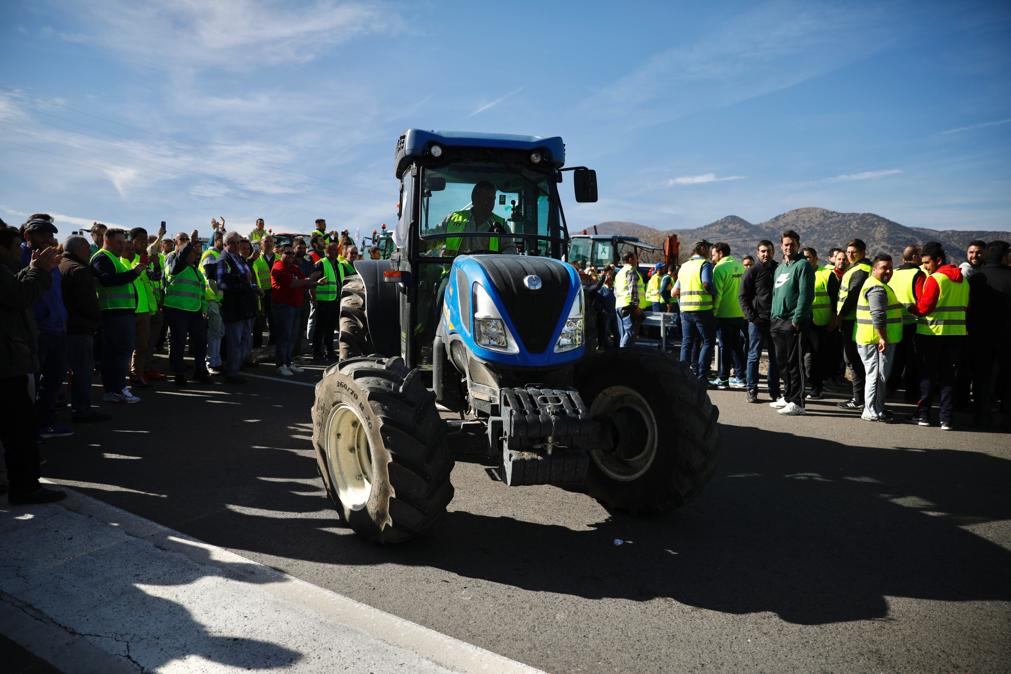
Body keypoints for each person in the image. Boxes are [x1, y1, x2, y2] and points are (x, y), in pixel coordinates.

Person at [0, 227, 66, 504]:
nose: (20, 251)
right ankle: (25, 487)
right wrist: (38, 270)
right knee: (19, 428)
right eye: (16, 246)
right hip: (8, 362)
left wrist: (31, 270)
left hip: (11, 357)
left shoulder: (8, 271)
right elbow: (19, 296)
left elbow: (14, 290)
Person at [20, 216, 71, 438]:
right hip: (37, 330)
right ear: (27, 235)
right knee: (31, 383)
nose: (48, 239)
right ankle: (28, 429)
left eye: (50, 235)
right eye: (42, 234)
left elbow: (56, 295)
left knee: (53, 379)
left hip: (57, 328)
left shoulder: (52, 259)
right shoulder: (20, 257)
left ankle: (46, 423)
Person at [910, 242, 967, 430]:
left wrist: (910, 308)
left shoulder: (935, 279)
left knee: (927, 375)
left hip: (931, 334)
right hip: (956, 335)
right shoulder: (963, 280)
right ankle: (946, 419)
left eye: (927, 262)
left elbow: (924, 308)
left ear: (938, 260)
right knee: (948, 377)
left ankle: (923, 415)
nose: (925, 266)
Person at [92, 228, 145, 403]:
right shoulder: (102, 257)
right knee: (120, 353)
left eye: (123, 242)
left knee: (117, 353)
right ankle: (118, 388)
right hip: (114, 313)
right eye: (119, 242)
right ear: (107, 241)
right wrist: (133, 273)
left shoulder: (112, 258)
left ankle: (114, 390)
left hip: (121, 312)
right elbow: (107, 281)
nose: (122, 246)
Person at [60, 235, 109, 423]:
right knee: (82, 371)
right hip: (80, 328)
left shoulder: (61, 265)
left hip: (65, 326)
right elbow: (89, 304)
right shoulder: (79, 271)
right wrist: (96, 321)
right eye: (87, 248)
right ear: (80, 249)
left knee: (63, 370)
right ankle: (82, 410)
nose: (90, 251)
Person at [769, 230, 814, 416]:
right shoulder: (780, 268)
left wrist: (797, 318)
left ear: (798, 245)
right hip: (777, 321)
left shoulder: (803, 265)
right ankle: (788, 396)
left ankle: (798, 402)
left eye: (792, 244)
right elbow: (775, 294)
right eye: (786, 244)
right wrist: (773, 316)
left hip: (794, 321)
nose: (789, 247)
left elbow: (806, 295)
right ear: (781, 246)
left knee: (795, 363)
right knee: (782, 362)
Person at [967, 240, 1011, 429]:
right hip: (1007, 336)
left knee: (981, 377)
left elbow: (968, 307)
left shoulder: (976, 278)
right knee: (1007, 378)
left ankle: (981, 416)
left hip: (980, 336)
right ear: (1004, 256)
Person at [855, 255, 903, 421]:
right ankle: (872, 410)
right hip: (875, 340)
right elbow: (878, 314)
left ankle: (877, 408)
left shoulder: (878, 285)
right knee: (876, 376)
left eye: (890, 268)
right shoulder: (876, 288)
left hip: (873, 338)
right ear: (874, 269)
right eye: (883, 268)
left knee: (877, 375)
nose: (888, 271)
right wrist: (882, 337)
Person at [162, 243, 211, 387]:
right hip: (177, 310)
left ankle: (200, 371)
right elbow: (181, 257)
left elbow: (201, 293)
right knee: (179, 343)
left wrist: (204, 309)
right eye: (190, 253)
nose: (193, 255)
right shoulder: (176, 266)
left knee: (201, 342)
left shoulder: (195, 270)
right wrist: (189, 243)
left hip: (195, 311)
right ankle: (179, 374)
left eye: (194, 253)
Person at [739, 240, 780, 403]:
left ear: (773, 252)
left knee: (775, 357)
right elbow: (742, 296)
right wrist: (752, 317)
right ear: (757, 253)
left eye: (768, 251)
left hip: (775, 320)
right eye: (762, 251)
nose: (766, 254)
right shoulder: (752, 271)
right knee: (754, 355)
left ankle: (774, 391)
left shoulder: (779, 269)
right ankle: (752, 389)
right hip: (757, 321)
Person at [271, 244, 322, 375]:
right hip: (283, 306)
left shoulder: (294, 268)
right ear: (281, 254)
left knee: (292, 337)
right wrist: (311, 278)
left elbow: (305, 283)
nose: (290, 256)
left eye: (292, 253)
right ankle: (281, 364)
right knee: (284, 336)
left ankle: (288, 362)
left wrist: (317, 282)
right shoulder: (278, 267)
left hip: (295, 306)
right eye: (287, 253)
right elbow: (293, 283)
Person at [120, 227, 161, 387]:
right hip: (128, 311)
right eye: (127, 248)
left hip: (144, 310)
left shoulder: (141, 260)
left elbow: (155, 276)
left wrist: (156, 265)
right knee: (126, 347)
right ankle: (122, 379)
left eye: (146, 240)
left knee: (142, 346)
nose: (144, 243)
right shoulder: (120, 263)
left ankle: (137, 375)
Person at [836, 239, 872, 411]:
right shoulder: (856, 268)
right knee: (854, 360)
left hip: (853, 320)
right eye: (848, 251)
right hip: (852, 319)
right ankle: (861, 397)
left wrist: (840, 315)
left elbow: (852, 296)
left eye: (854, 252)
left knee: (853, 360)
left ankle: (859, 399)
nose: (850, 255)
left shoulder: (861, 270)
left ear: (863, 252)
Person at [217, 231, 258, 384]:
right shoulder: (223, 259)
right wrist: (241, 279)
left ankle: (236, 368)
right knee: (234, 341)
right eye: (232, 243)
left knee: (242, 340)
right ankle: (232, 373)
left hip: (244, 306)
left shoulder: (238, 258)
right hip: (234, 307)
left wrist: (253, 287)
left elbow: (246, 281)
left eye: (238, 242)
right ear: (225, 244)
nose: (236, 245)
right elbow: (222, 282)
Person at [887, 245, 924, 402]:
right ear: (915, 257)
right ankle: (911, 394)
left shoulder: (894, 273)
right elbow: (921, 299)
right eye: (920, 256)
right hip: (912, 323)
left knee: (895, 359)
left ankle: (889, 389)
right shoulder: (918, 274)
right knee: (912, 361)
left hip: (894, 321)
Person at [676, 241, 717, 384]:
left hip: (685, 310)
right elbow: (706, 283)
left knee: (687, 342)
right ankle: (702, 376)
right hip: (702, 309)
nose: (709, 252)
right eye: (708, 248)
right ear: (702, 248)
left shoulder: (684, 266)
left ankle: (682, 376)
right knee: (708, 341)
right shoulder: (704, 264)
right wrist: (715, 294)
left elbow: (676, 290)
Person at [803, 246, 839, 399]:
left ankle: (817, 388)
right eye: (803, 258)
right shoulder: (799, 273)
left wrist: (834, 320)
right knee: (803, 356)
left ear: (816, 259)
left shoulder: (826, 274)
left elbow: (835, 300)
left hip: (820, 323)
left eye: (808, 257)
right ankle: (803, 386)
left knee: (817, 357)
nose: (805, 260)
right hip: (801, 322)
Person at [435, 181, 512, 255]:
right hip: (453, 264)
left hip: (487, 264)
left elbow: (511, 249)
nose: (489, 203)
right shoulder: (452, 219)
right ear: (474, 198)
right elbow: (433, 238)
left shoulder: (501, 225)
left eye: (492, 199)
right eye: (484, 198)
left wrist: (500, 258)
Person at [710, 242, 747, 389]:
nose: (712, 258)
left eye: (713, 255)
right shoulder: (740, 266)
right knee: (737, 346)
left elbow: (717, 294)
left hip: (724, 314)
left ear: (720, 253)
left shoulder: (719, 268)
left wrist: (713, 312)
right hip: (739, 313)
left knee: (725, 347)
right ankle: (741, 377)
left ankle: (723, 378)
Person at [311, 240, 345, 361]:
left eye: (337, 249)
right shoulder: (321, 263)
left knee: (330, 329)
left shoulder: (339, 265)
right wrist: (313, 298)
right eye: (333, 249)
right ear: (327, 251)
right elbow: (312, 281)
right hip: (323, 302)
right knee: (320, 329)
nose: (336, 252)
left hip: (336, 301)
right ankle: (317, 353)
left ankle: (329, 351)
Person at [201, 230, 225, 374]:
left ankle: (216, 361)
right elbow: (210, 277)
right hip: (212, 299)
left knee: (218, 332)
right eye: (222, 239)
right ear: (216, 240)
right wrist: (218, 295)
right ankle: (211, 363)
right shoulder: (210, 254)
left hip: (217, 300)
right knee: (214, 333)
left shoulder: (221, 255)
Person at [614, 251, 644, 348]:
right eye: (635, 258)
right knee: (630, 333)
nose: (636, 260)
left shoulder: (619, 273)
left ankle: (623, 354)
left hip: (619, 305)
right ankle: (622, 353)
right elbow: (633, 289)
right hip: (628, 306)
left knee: (623, 334)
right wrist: (636, 306)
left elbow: (615, 291)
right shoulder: (631, 270)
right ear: (630, 259)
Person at [252, 235, 277, 348]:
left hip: (275, 294)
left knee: (274, 321)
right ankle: (257, 346)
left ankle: (272, 345)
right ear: (261, 244)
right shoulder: (256, 259)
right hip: (260, 294)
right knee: (259, 322)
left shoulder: (279, 258)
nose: (269, 243)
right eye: (266, 241)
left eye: (271, 241)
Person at [293, 238, 314, 358]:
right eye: (299, 248)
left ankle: (297, 354)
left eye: (304, 248)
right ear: (294, 248)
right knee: (294, 328)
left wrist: (313, 295)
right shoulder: (291, 262)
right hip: (293, 298)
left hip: (305, 298)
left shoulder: (308, 262)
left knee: (302, 327)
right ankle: (292, 355)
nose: (302, 250)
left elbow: (310, 280)